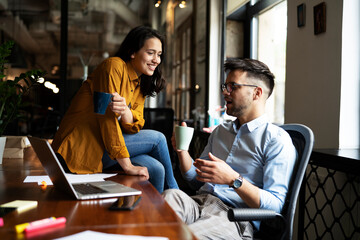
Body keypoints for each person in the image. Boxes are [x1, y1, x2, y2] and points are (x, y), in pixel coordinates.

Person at [162, 58, 297, 239]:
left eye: (233, 86)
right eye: (225, 86)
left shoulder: (276, 140)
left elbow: (274, 207)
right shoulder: (220, 131)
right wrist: (182, 151)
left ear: (256, 93)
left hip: (234, 218)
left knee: (182, 236)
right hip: (198, 203)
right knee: (168, 198)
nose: (226, 93)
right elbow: (196, 180)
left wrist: (233, 179)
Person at [52, 26, 178, 193]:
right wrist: (127, 166)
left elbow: (135, 126)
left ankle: (155, 215)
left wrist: (126, 112)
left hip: (106, 147)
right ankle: (178, 201)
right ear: (133, 52)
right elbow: (106, 121)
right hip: (82, 147)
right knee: (158, 139)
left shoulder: (140, 84)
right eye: (150, 53)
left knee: (156, 168)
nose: (156, 60)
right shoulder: (113, 66)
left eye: (159, 54)